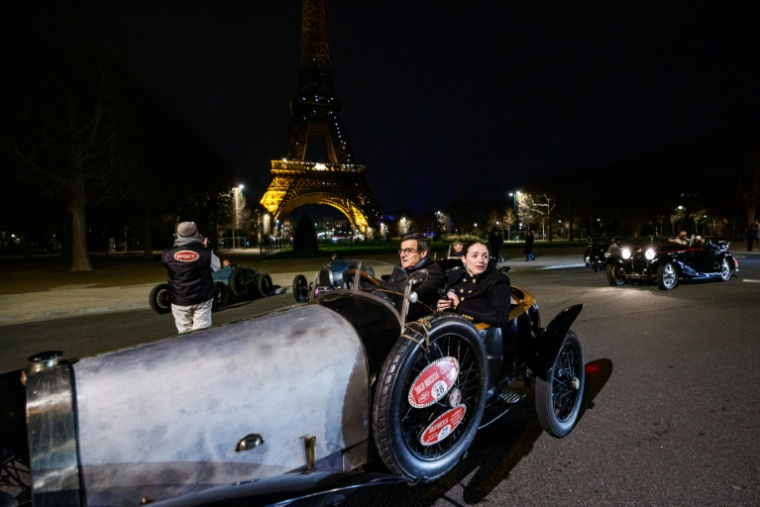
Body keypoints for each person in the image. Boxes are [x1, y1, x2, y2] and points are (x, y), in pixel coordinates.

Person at [162, 221, 221, 333]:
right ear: (196, 233)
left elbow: (169, 265)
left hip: (179, 299)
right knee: (202, 331)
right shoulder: (205, 252)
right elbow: (216, 267)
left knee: (184, 332)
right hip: (202, 298)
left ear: (178, 235)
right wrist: (204, 249)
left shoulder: (168, 254)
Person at [437, 241, 512, 328]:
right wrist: (442, 306)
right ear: (464, 258)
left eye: (485, 256)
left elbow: (500, 317)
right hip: (449, 328)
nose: (480, 260)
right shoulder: (457, 274)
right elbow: (448, 295)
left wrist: (459, 306)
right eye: (474, 256)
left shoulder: (497, 280)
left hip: (476, 334)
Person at [380, 232, 444, 317]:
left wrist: (373, 282)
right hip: (392, 312)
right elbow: (389, 288)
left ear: (423, 253)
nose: (402, 255)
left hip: (416, 322)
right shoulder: (399, 267)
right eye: (402, 250)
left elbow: (404, 293)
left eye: (408, 251)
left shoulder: (433, 272)